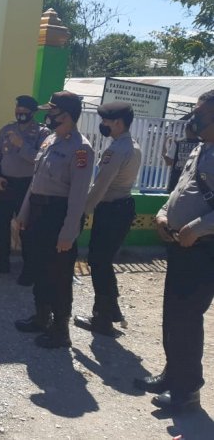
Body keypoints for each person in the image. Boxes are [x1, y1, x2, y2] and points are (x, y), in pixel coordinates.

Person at [134, 90, 214, 413]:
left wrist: (197, 227)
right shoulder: (200, 149)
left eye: (201, 113)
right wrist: (164, 212)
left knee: (187, 318)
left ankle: (187, 391)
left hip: (204, 249)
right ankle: (172, 373)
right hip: (181, 246)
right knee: (173, 315)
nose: (193, 118)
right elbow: (181, 189)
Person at [13, 91, 94, 349]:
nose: (47, 116)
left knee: (58, 274)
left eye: (52, 111)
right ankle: (41, 317)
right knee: (38, 267)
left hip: (59, 216)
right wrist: (24, 213)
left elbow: (78, 197)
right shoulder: (49, 141)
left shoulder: (81, 148)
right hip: (38, 212)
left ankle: (60, 329)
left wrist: (68, 233)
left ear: (66, 115)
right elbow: (35, 182)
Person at [74, 102, 141, 336]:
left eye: (106, 121)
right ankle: (111, 310)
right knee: (104, 261)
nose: (103, 125)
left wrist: (82, 211)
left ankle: (102, 319)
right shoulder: (133, 146)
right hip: (123, 208)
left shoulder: (117, 150)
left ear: (119, 123)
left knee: (99, 262)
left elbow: (101, 185)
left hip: (111, 210)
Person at [0, 95, 50, 278]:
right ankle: (2, 261)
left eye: (24, 111)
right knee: (0, 223)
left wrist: (21, 144)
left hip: (27, 185)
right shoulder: (7, 129)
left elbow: (39, 159)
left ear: (33, 112)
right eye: (18, 110)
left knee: (26, 228)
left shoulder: (42, 133)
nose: (20, 113)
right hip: (5, 183)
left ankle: (28, 269)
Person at [162, 123, 199, 193]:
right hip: (195, 183)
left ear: (186, 129)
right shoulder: (203, 144)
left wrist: (164, 151)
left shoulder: (177, 143)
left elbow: (168, 162)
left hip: (177, 180)